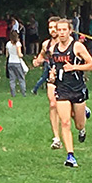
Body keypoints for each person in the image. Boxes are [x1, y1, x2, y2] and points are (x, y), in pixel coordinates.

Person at [47, 19, 92, 167]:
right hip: (62, 90)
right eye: (59, 30)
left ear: (70, 31)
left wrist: (74, 67)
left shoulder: (77, 47)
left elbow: (91, 65)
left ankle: (82, 125)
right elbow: (54, 68)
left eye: (64, 30)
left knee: (78, 124)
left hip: (77, 89)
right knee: (65, 122)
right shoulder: (53, 49)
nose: (61, 32)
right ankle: (70, 156)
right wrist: (52, 76)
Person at [32, 16, 63, 149]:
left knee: (69, 110)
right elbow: (41, 55)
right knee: (52, 104)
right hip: (52, 77)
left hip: (67, 78)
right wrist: (37, 61)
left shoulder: (68, 43)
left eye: (55, 27)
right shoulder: (46, 44)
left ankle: (81, 110)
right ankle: (56, 138)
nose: (52, 30)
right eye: (50, 27)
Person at [5, 31, 26, 97]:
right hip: (17, 62)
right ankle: (23, 93)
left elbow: (6, 54)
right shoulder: (18, 44)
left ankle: (13, 94)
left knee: (12, 79)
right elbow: (19, 54)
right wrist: (22, 55)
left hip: (10, 62)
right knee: (21, 78)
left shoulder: (8, 44)